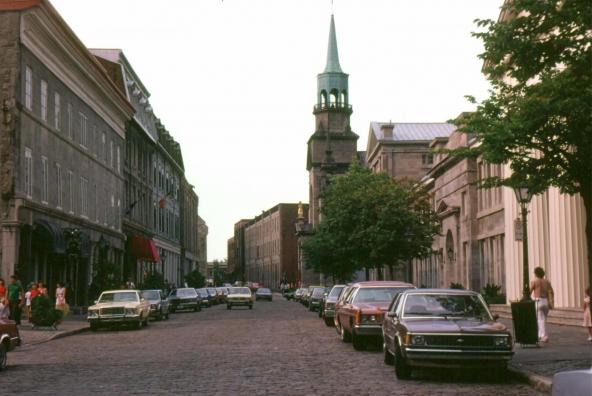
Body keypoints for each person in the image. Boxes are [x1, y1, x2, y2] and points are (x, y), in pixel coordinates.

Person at [530, 267, 553, 343]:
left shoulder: (535, 281)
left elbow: (529, 291)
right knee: (543, 319)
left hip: (538, 300)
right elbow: (551, 292)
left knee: (540, 319)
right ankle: (540, 335)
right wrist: (551, 302)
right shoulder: (547, 281)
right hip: (545, 301)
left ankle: (543, 336)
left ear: (536, 273)